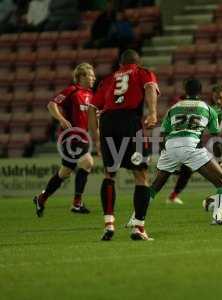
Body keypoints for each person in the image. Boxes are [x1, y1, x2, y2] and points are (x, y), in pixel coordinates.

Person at [128, 78, 222, 226]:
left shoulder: (174, 108)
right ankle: (217, 218)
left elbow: (162, 136)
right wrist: (219, 159)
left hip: (170, 145)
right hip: (191, 145)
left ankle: (134, 219)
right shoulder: (207, 108)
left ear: (185, 90)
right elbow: (216, 140)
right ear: (200, 91)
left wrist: (171, 157)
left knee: (154, 187)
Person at [88, 49, 158, 241]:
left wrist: (96, 137)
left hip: (108, 122)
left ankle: (109, 224)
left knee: (109, 174)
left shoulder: (108, 79)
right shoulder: (142, 72)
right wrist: (152, 112)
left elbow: (93, 108)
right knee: (141, 174)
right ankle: (138, 228)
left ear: (120, 64)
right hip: (129, 120)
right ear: (138, 61)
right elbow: (150, 88)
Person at [33, 63, 96, 217]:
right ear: (81, 77)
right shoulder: (72, 91)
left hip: (82, 137)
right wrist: (61, 118)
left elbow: (92, 118)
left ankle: (41, 198)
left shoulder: (91, 95)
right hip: (69, 138)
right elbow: (51, 104)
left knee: (65, 172)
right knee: (88, 162)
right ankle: (77, 203)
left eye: (94, 76)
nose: (93, 78)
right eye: (90, 75)